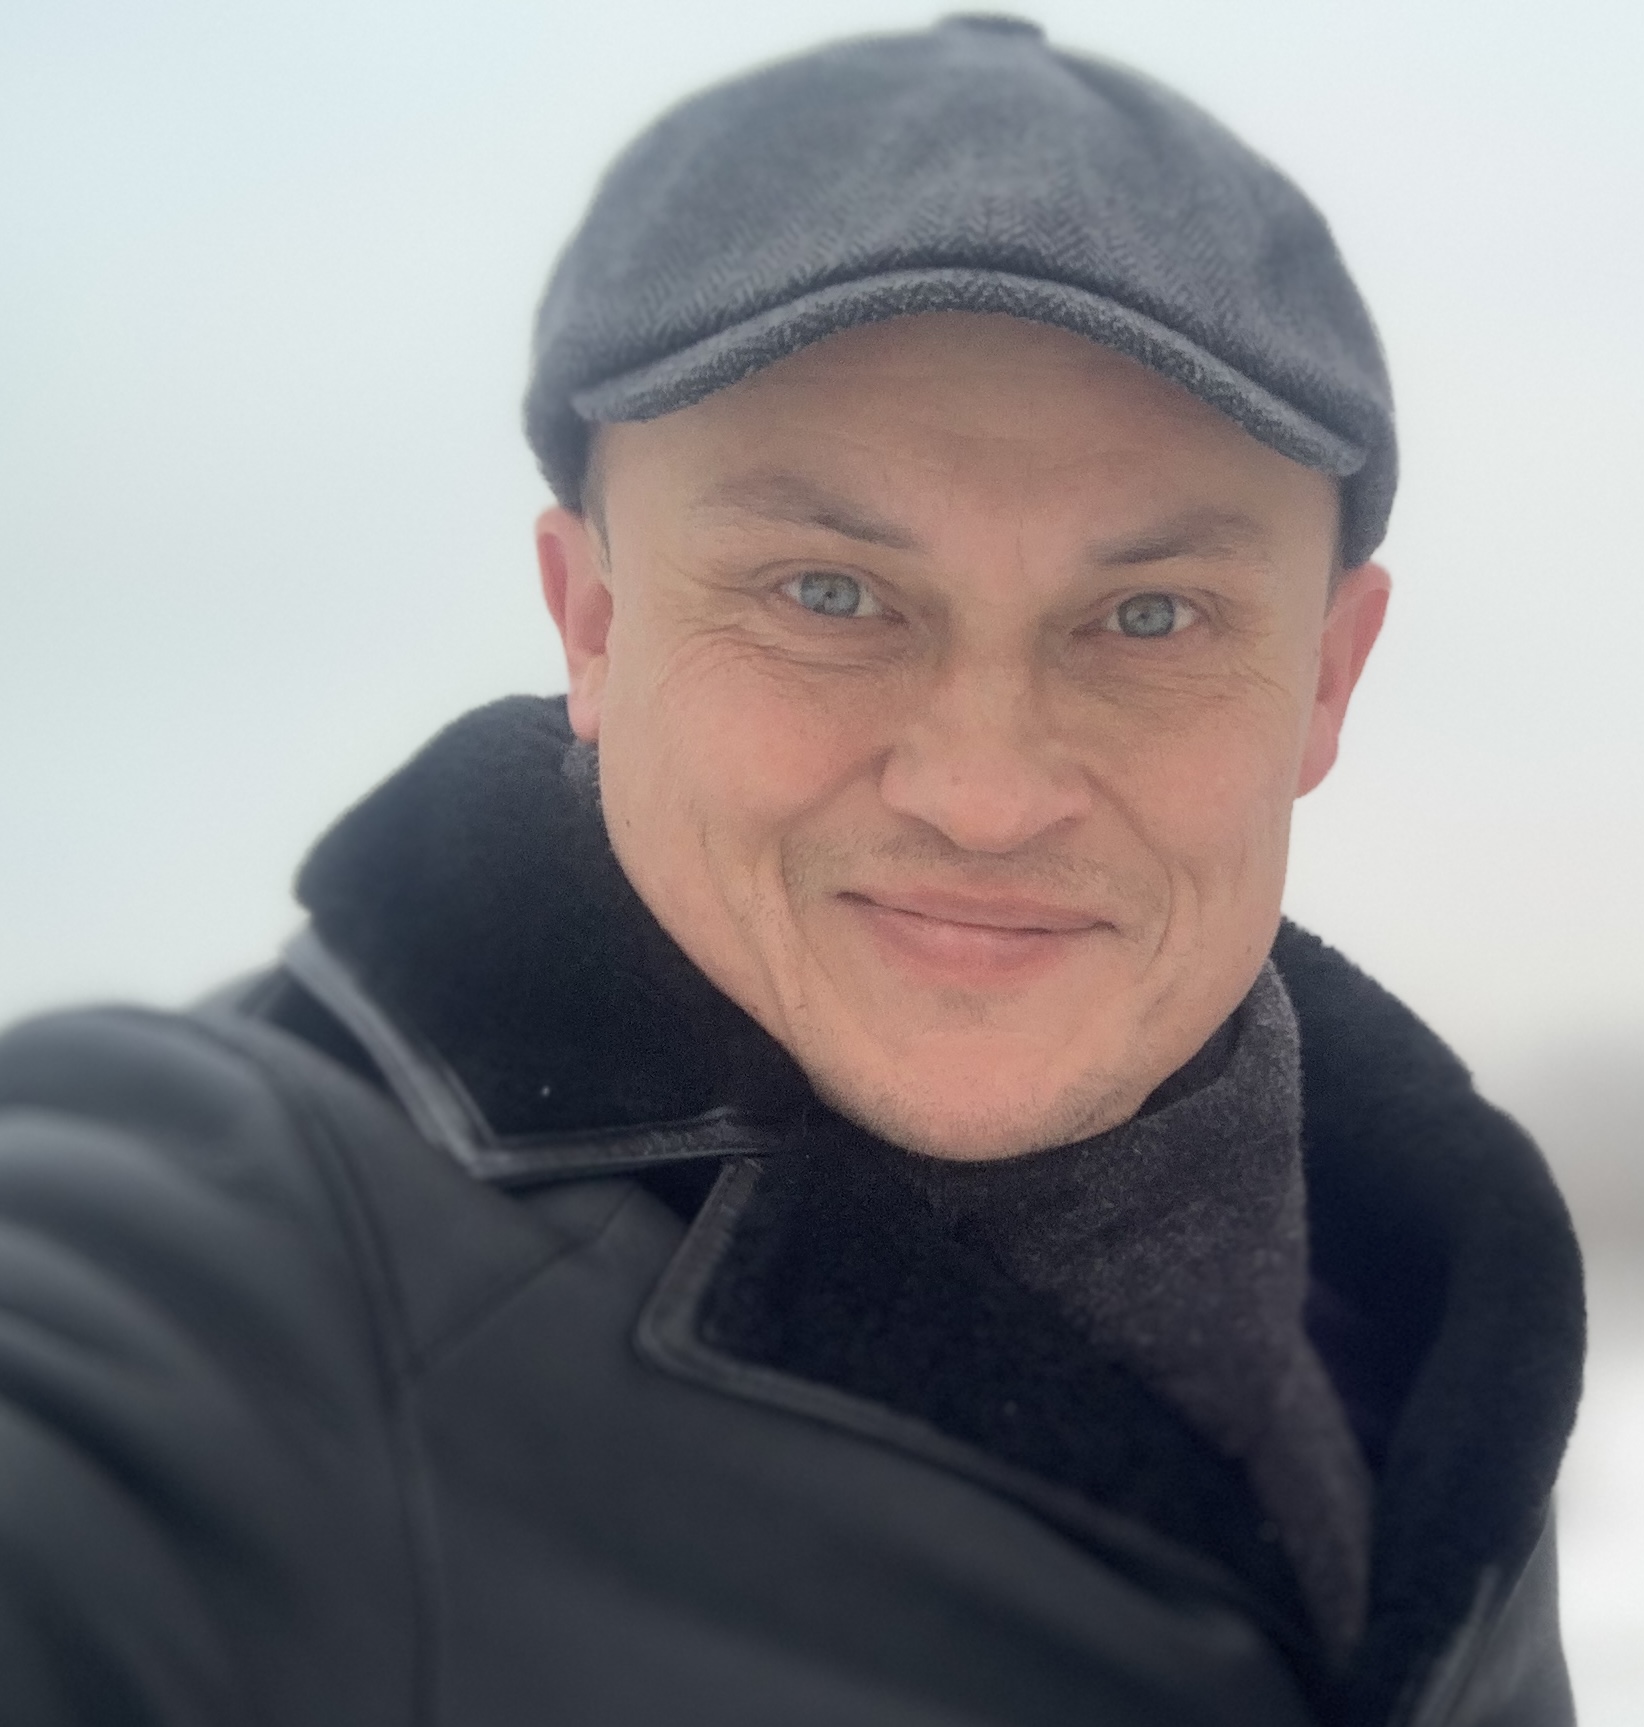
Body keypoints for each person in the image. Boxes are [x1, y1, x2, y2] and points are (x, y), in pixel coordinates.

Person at [0, 17, 1584, 1727]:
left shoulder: (1413, 1325)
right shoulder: (236, 1290)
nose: (985, 794)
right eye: (830, 594)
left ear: (1326, 681)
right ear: (594, 622)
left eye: (1148, 616)